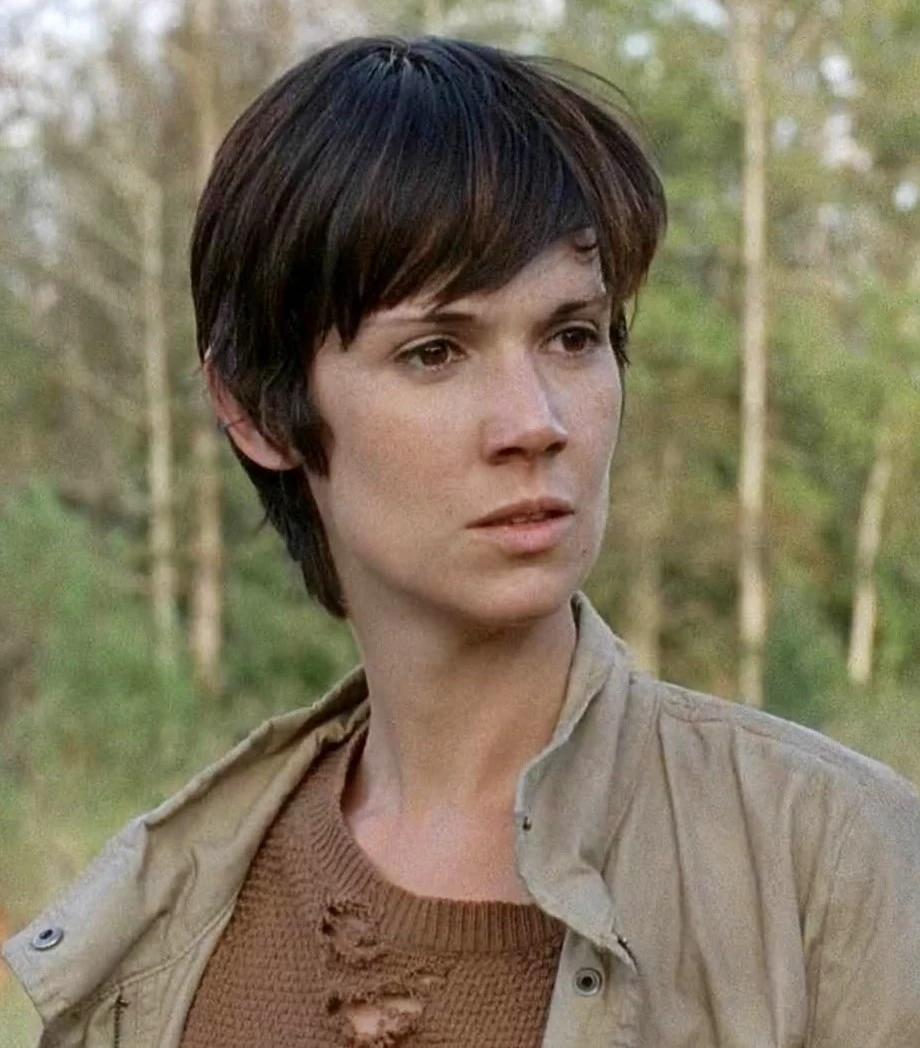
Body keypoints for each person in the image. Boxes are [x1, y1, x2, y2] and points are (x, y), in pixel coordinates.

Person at [3, 34, 919, 1048]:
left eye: (571, 336)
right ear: (256, 409)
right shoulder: (156, 928)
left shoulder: (831, 866)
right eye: (435, 351)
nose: (534, 422)